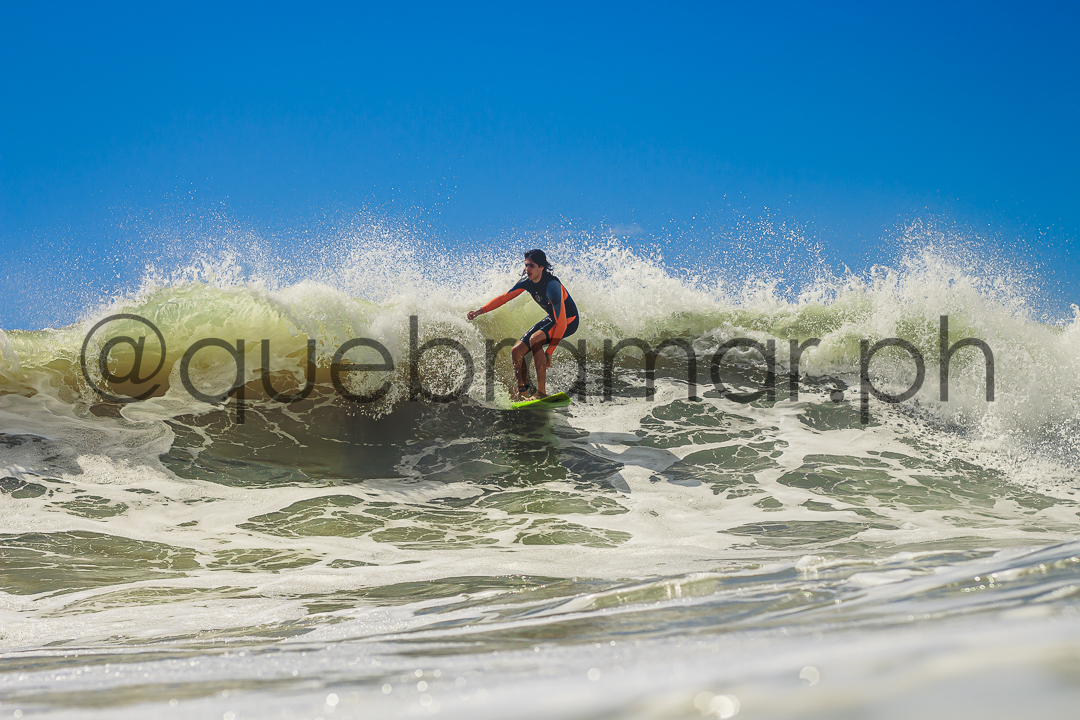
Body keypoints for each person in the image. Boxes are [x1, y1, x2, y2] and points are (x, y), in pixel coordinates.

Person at [467, 249, 579, 399]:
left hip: (569, 321)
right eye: (526, 265)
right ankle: (522, 391)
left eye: (531, 265)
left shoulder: (552, 287)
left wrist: (549, 352)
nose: (527, 269)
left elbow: (562, 323)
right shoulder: (527, 282)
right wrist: (479, 311)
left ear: (541, 267)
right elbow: (503, 298)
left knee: (535, 339)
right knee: (516, 351)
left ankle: (541, 392)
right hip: (553, 318)